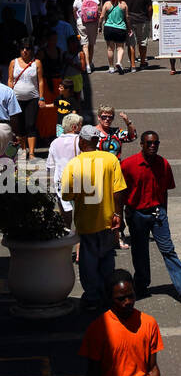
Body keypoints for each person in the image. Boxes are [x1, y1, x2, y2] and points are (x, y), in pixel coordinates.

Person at [121, 131, 181, 303]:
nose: (152, 146)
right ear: (141, 144)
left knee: (168, 249)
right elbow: (120, 192)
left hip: (158, 213)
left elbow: (165, 191)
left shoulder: (163, 164)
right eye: (149, 143)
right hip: (137, 214)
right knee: (140, 252)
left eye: (155, 143)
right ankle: (140, 285)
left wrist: (164, 212)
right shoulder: (128, 165)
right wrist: (120, 216)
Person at [61, 126, 127, 312]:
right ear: (97, 141)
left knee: (88, 262)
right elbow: (118, 191)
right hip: (108, 220)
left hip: (86, 221)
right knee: (107, 259)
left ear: (82, 141)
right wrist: (118, 215)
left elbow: (66, 195)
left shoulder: (74, 164)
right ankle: (108, 294)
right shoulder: (110, 159)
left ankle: (92, 296)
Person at [8, 39, 44, 161]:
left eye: (27, 48)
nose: (25, 51)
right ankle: (23, 151)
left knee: (31, 124)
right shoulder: (13, 63)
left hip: (32, 98)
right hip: (17, 99)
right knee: (20, 126)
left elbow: (40, 81)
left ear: (31, 50)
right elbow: (10, 80)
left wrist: (41, 97)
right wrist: (9, 96)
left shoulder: (36, 63)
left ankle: (32, 152)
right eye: (23, 48)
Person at [121, 0, 152, 71]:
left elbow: (121, 8)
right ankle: (142, 62)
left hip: (129, 21)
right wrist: (149, 18)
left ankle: (133, 65)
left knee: (131, 43)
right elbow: (150, 8)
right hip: (143, 20)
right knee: (142, 43)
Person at [101, 0, 130, 73]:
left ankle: (111, 67)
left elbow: (102, 16)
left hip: (108, 28)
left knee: (110, 48)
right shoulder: (123, 4)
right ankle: (119, 62)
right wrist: (129, 28)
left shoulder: (107, 4)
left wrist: (99, 26)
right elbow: (127, 17)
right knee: (120, 47)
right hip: (120, 28)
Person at [77, 0, 100, 72]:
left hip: (81, 23)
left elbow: (74, 11)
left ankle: (87, 66)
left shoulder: (77, 0)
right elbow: (98, 11)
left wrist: (77, 20)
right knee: (91, 45)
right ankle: (90, 62)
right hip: (93, 23)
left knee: (84, 45)